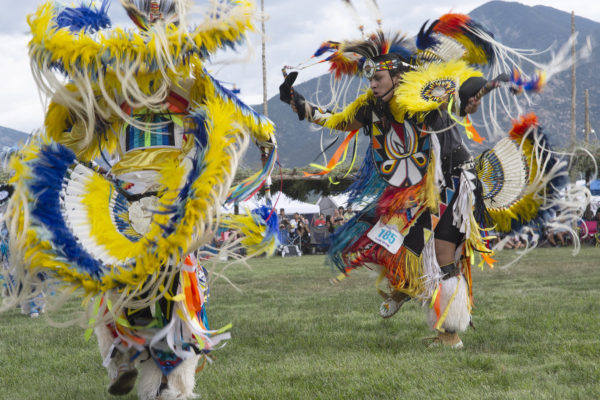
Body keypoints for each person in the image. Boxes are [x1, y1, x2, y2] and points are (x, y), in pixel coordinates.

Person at [2, 1, 278, 399]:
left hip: (176, 202)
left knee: (176, 281)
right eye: (147, 26)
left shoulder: (195, 82)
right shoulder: (114, 89)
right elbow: (69, 125)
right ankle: (120, 356)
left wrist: (262, 130)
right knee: (111, 277)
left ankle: (169, 383)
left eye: (163, 25)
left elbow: (241, 115)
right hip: (124, 198)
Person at [279, 15, 586, 348]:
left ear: (397, 77)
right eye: (370, 78)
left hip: (453, 184)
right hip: (414, 191)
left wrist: (486, 86)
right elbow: (336, 119)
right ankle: (405, 288)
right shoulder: (373, 106)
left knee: (443, 257)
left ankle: (449, 334)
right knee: (389, 243)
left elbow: (458, 94)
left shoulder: (426, 98)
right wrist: (294, 99)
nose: (372, 84)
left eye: (379, 78)